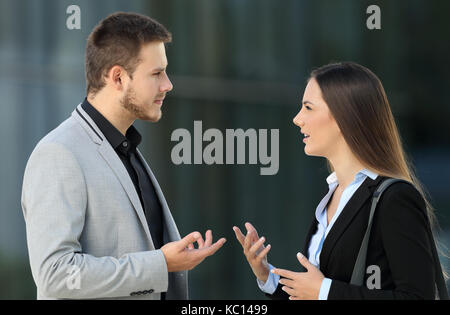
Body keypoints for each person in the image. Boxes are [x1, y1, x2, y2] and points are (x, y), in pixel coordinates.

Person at [21, 12, 226, 300]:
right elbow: (56, 274)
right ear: (117, 77)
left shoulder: (124, 148)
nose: (167, 85)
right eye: (156, 74)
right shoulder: (59, 153)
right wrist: (160, 263)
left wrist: (172, 256)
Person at [234, 61, 447, 299]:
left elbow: (418, 297)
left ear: (343, 115)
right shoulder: (332, 195)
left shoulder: (394, 198)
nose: (297, 118)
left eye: (308, 107)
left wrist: (325, 290)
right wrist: (267, 276)